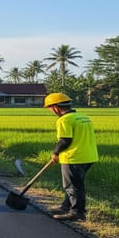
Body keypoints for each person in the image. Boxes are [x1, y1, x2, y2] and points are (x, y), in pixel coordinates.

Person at [44, 92, 98, 221]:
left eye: (50, 108)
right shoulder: (84, 117)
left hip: (74, 157)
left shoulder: (64, 120)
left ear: (56, 106)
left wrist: (55, 153)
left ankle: (77, 212)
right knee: (76, 183)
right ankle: (65, 206)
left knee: (72, 186)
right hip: (89, 155)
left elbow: (65, 140)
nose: (51, 111)